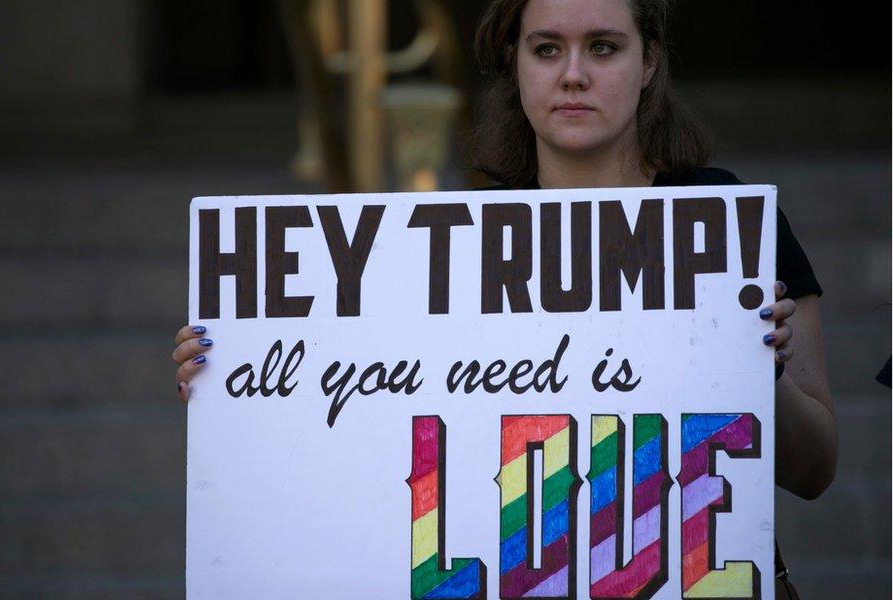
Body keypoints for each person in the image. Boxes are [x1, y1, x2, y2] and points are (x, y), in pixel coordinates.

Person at [173, 0, 836, 596]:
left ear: (649, 61)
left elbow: (815, 469)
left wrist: (759, 371)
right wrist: (234, 381)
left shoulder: (726, 227)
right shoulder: (458, 247)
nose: (572, 74)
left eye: (603, 47)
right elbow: (364, 447)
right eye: (546, 48)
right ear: (515, 63)